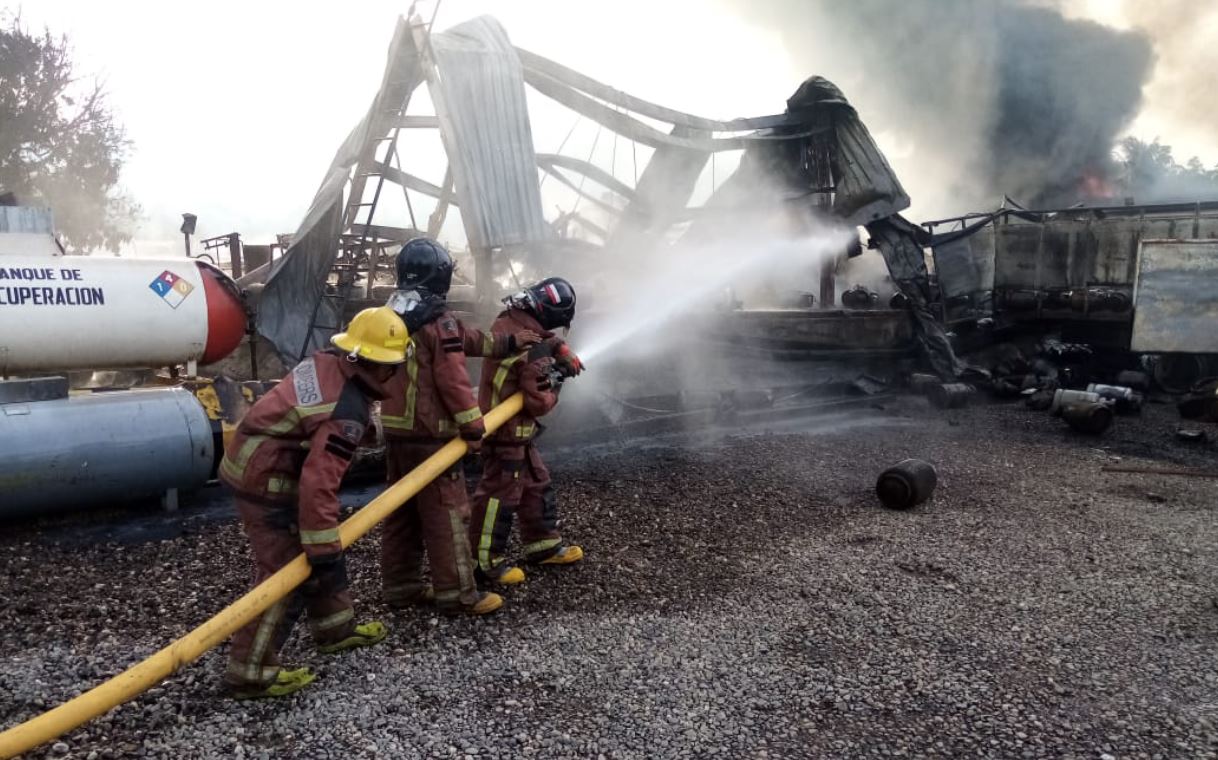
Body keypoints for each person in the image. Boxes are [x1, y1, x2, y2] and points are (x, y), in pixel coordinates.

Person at [219, 306, 410, 699]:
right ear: (375, 367)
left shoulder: (327, 362)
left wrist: (323, 544)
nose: (396, 374)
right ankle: (250, 671)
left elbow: (312, 411)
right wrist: (322, 545)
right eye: (392, 366)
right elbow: (319, 482)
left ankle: (334, 629)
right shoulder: (347, 411)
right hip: (268, 481)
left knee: (319, 545)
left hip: (254, 460)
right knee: (287, 572)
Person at [378, 238, 538, 615]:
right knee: (446, 516)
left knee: (401, 514)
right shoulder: (439, 320)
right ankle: (458, 594)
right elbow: (452, 378)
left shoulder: (392, 313)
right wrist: (473, 427)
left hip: (396, 432)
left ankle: (401, 586)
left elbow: (467, 340)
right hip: (432, 436)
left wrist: (510, 341)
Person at [468, 277, 585, 587]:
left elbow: (542, 334)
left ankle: (542, 545)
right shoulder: (530, 349)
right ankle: (483, 563)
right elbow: (537, 402)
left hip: (515, 431)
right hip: (506, 431)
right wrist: (558, 380)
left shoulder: (510, 321)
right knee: (498, 497)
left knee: (535, 483)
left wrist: (561, 347)